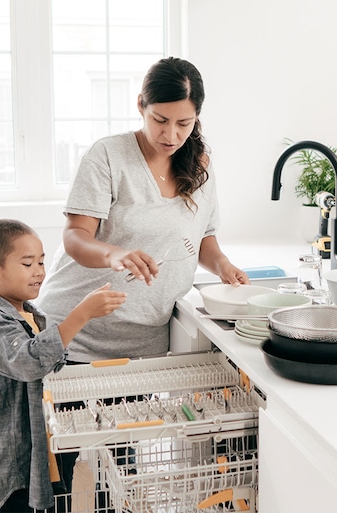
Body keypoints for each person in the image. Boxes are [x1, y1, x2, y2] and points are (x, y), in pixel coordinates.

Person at [35, 56, 249, 501]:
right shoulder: (109, 155)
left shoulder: (200, 162)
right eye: (160, 120)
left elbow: (203, 236)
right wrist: (114, 254)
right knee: (58, 467)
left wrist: (223, 265)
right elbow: (75, 237)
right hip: (76, 332)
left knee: (124, 468)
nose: (171, 135)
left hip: (141, 343)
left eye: (184, 123)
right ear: (141, 106)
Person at [0, 219, 126, 513]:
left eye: (41, 261)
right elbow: (31, 361)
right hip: (15, 465)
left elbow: (50, 365)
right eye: (27, 264)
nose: (40, 271)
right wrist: (82, 313)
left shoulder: (31, 314)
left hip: (44, 452)